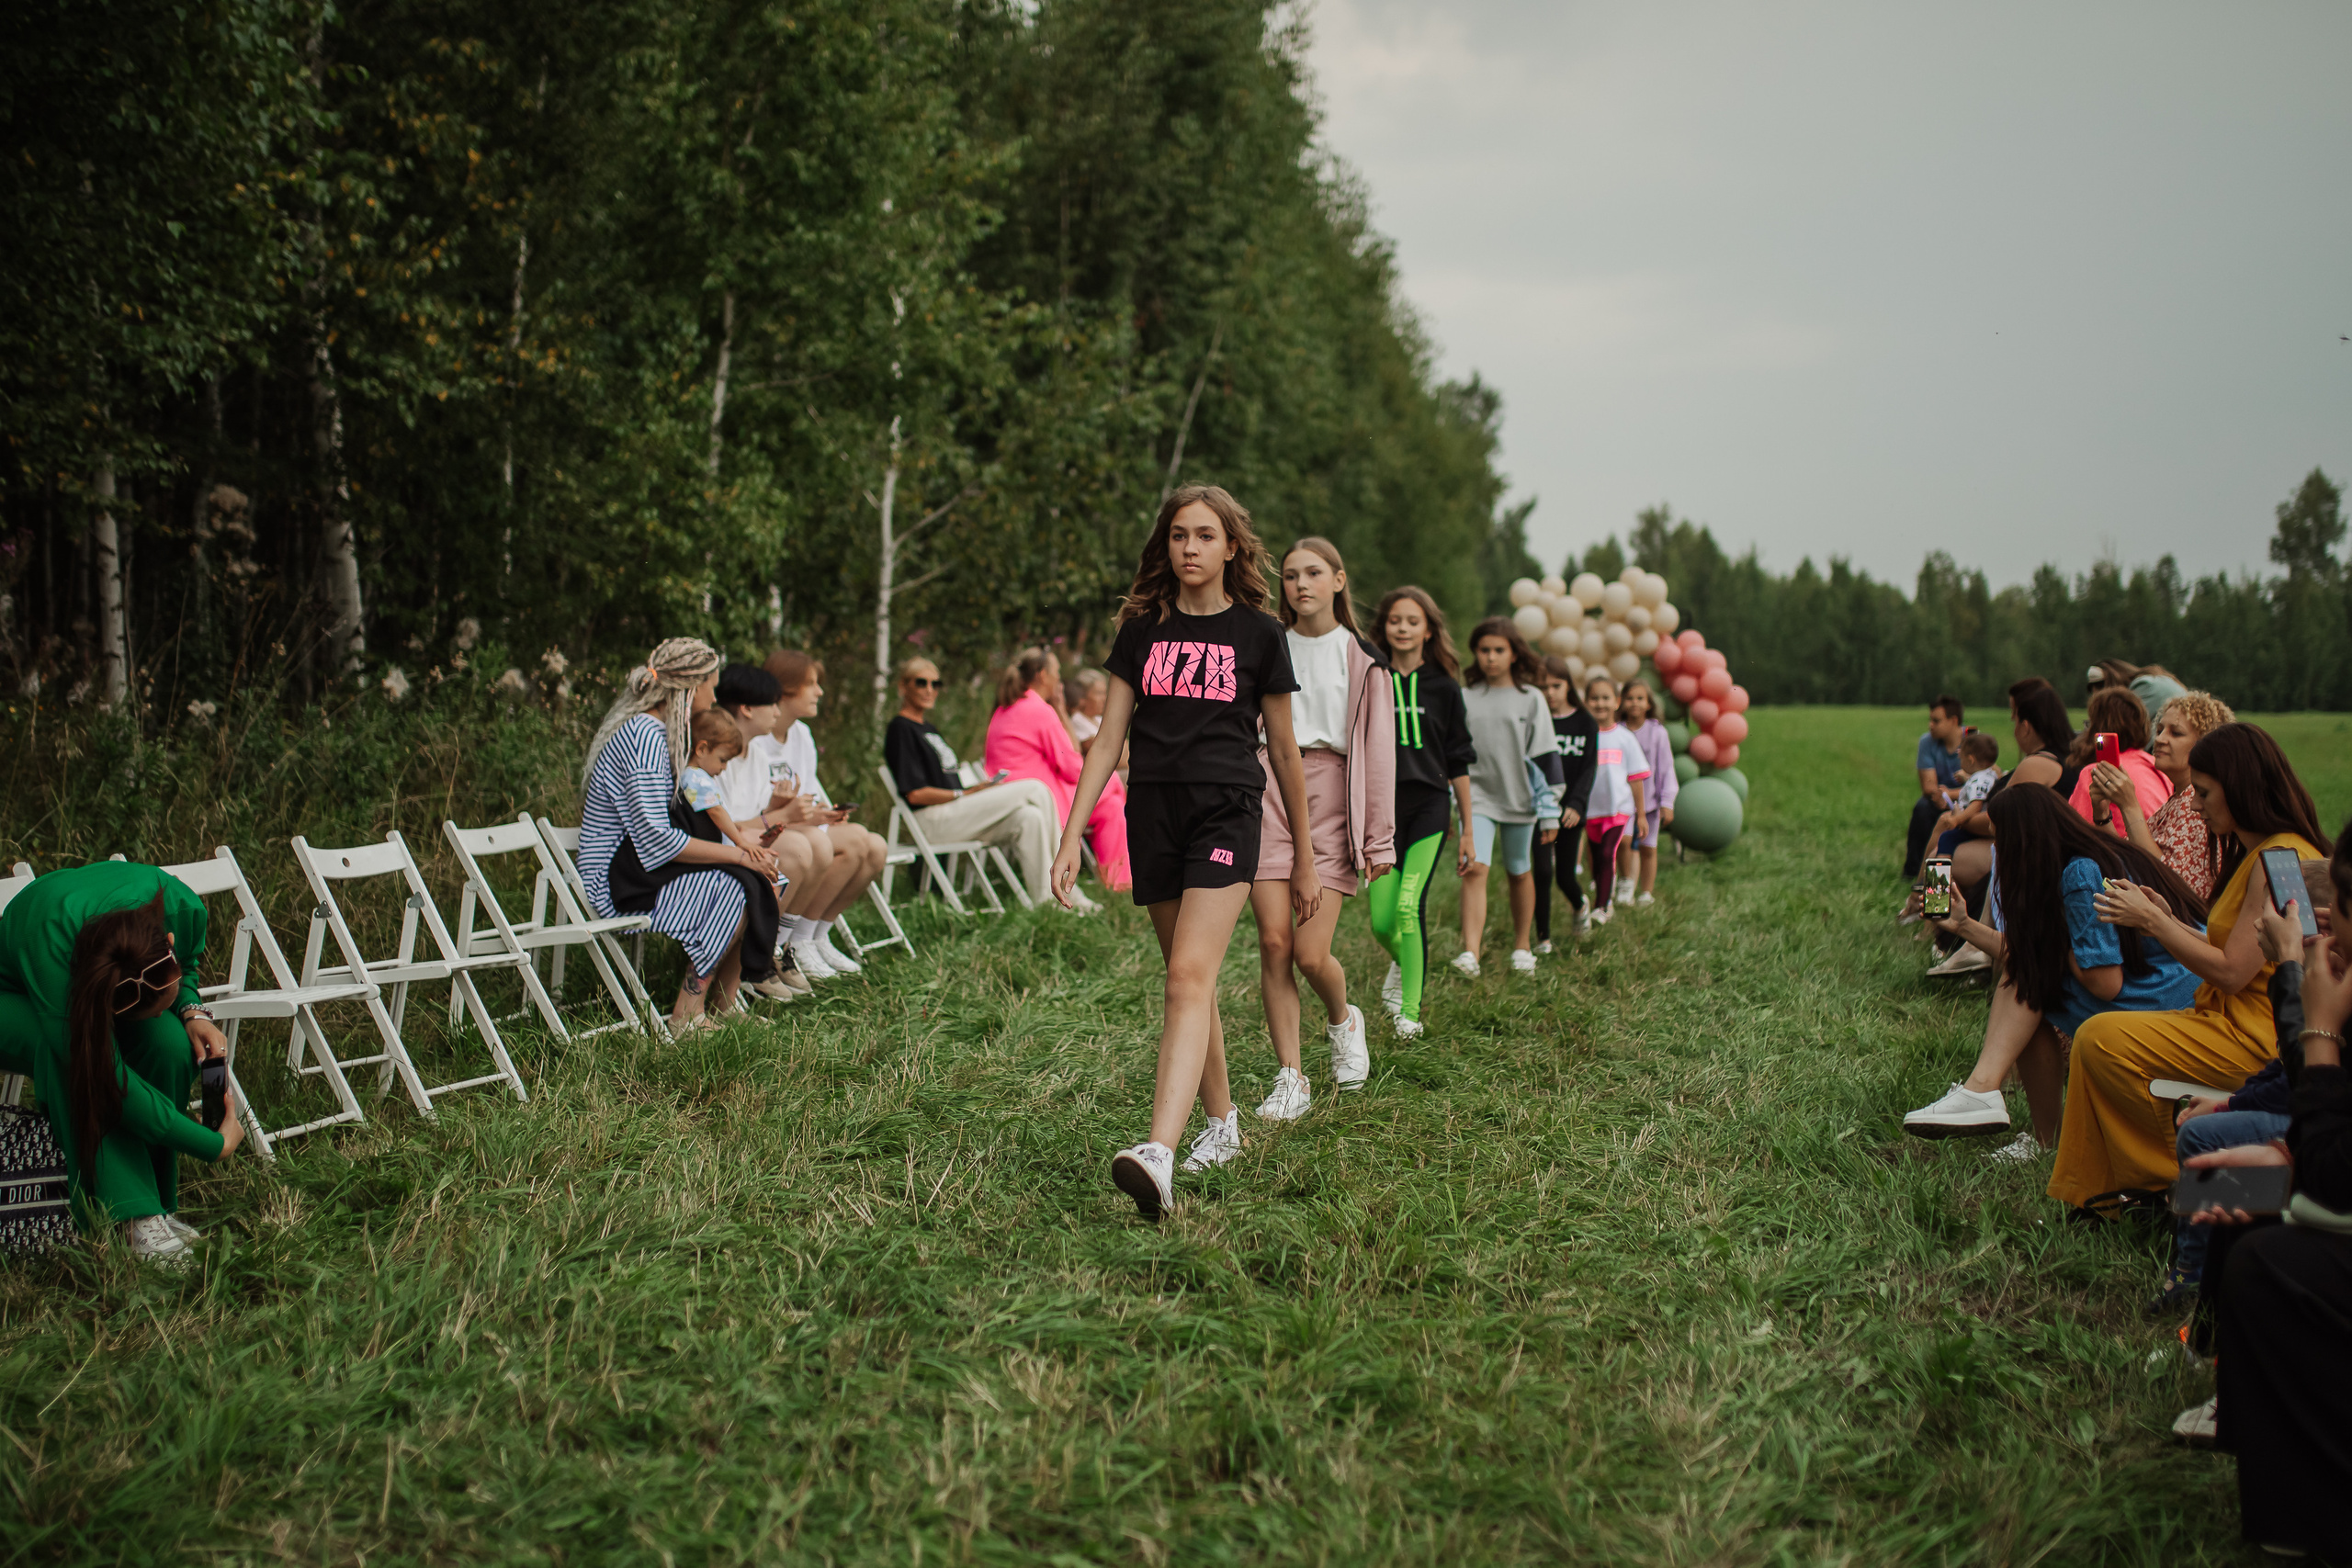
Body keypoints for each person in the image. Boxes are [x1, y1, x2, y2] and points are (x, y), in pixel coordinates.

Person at [1046, 483, 1311, 1217]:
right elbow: (1108, 739)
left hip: (1227, 813)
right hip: (1152, 812)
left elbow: (1284, 750)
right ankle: (1222, 1123)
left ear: (1232, 546)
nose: (1189, 548)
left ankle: (1158, 1152)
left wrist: (1310, 857)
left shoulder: (1261, 634)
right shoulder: (1142, 628)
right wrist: (1071, 836)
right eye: (1177, 536)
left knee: (1188, 975)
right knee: (1183, 979)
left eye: (1203, 535)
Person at [2050, 723, 2332, 1212]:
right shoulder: (2265, 851)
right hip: (2229, 1020)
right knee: (2097, 1038)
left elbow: (2231, 971)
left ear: (2240, 788)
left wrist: (2157, 923)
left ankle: (2171, 1183)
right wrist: (2170, 914)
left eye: (2202, 792)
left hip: (2257, 1036)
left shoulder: (2281, 856)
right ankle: (2111, 1190)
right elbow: (2236, 944)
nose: (2194, 804)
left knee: (2100, 1040)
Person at [2169, 834, 2352, 1560]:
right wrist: (2281, 1150)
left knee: (2255, 1231)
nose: (2327, 929)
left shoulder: (2323, 987)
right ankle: (2213, 1355)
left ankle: (2305, 1524)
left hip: (2327, 1157)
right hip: (2312, 1133)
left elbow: (2328, 1148)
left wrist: (2305, 1004)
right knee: (2231, 1180)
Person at [1904, 783, 2204, 1160]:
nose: (1998, 852)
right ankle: (1989, 1095)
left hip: (2172, 999)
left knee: (2029, 979)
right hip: (2177, 987)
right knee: (2028, 972)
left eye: (2002, 838)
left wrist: (2051, 941)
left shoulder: (2079, 874)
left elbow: (2105, 982)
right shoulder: (2092, 853)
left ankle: (2002, 1105)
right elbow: (2041, 954)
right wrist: (1964, 925)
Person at [0, 862, 246, 1267]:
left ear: (167, 939)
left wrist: (190, 1010)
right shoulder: (52, 950)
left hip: (91, 972)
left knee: (166, 1041)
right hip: (14, 993)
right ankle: (128, 1216)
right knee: (69, 1061)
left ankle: (157, 1209)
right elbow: (108, 1080)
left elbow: (186, 967)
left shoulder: (182, 909)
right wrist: (213, 1144)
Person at [1249, 537, 1394, 1120]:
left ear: (1338, 580)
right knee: (1274, 943)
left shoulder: (1364, 659)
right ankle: (1291, 1078)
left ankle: (1343, 1016)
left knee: (1311, 953)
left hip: (1334, 794)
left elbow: (1379, 756)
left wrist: (1378, 839)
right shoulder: (1266, 645)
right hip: (1265, 790)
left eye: (1313, 573)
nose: (1300, 584)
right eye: (1289, 575)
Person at [581, 637, 785, 1029]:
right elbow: (655, 838)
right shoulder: (642, 735)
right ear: (692, 688)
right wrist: (739, 855)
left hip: (642, 866)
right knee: (735, 885)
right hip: (615, 879)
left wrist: (744, 850)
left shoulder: (662, 734)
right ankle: (686, 1014)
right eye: (712, 684)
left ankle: (725, 1002)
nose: (715, 694)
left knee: (771, 878)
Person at [886, 657, 1080, 913]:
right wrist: (965, 793)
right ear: (903, 686)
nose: (929, 689)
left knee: (1029, 817)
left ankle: (1048, 901)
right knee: (1035, 788)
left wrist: (977, 789)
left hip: (955, 812)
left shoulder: (929, 729)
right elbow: (915, 794)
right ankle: (1070, 886)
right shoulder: (901, 729)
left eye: (936, 683)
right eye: (921, 683)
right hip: (931, 821)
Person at [1366, 586, 1476, 1041]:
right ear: (1384, 627)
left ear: (1428, 630)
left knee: (1410, 907)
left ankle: (1409, 1014)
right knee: (1381, 922)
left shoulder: (1445, 688)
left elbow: (1458, 760)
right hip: (1379, 810)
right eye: (1395, 620)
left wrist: (1468, 829)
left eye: (1413, 621)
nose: (1403, 628)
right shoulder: (1370, 678)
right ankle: (1402, 958)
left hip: (1430, 807)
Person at [759, 651, 891, 978]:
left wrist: (827, 813)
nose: (819, 692)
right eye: (811, 684)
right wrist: (801, 813)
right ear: (785, 689)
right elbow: (755, 808)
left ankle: (810, 937)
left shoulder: (801, 734)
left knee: (873, 845)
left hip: (801, 826)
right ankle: (784, 942)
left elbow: (812, 792)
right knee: (850, 845)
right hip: (771, 830)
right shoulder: (757, 735)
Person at [1935, 677, 2076, 976]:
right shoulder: (2067, 758)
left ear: (2026, 726)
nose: (2014, 729)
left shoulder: (2036, 765)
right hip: (2040, 853)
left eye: (2015, 719)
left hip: (2021, 855)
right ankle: (1935, 922)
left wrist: (1959, 819)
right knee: (1942, 844)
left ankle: (1934, 920)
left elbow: (1999, 821)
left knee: (1938, 855)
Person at [1454, 617, 1563, 976]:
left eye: (1499, 650)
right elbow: (1454, 755)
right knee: (1475, 869)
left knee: (1519, 872)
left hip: (1522, 799)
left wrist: (1550, 813)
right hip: (1479, 798)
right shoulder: (1466, 697)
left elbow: (1547, 757)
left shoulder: (1531, 699)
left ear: (1514, 654)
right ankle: (1471, 953)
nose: (1490, 657)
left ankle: (1522, 947)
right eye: (1484, 650)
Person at [707, 663, 821, 993]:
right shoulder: (717, 757)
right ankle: (746, 968)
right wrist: (780, 814)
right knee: (800, 848)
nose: (776, 711)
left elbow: (757, 816)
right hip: (726, 847)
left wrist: (776, 807)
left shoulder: (754, 753)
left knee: (811, 843)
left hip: (750, 843)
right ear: (745, 708)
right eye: (770, 704)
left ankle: (761, 956)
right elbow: (722, 824)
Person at [986, 647, 1131, 892]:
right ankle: (1117, 881)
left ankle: (1116, 880)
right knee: (1111, 790)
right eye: (1057, 672)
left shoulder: (1006, 707)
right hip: (1040, 797)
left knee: (1111, 803)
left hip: (1013, 793)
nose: (1059, 679)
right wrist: (1060, 710)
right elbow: (1073, 767)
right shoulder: (1038, 710)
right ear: (1043, 675)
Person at [2086, 689, 2235, 900]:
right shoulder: (2179, 798)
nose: (2160, 739)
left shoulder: (2200, 804)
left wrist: (2129, 805)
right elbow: (2128, 857)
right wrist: (2102, 814)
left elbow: (2169, 883)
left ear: (2206, 743)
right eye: (2159, 730)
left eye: (2175, 733)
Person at [1531, 655, 1596, 951]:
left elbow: (1588, 770)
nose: (1550, 693)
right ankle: (1543, 938)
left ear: (1568, 685)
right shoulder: (1534, 719)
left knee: (1564, 877)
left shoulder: (1585, 722)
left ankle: (1580, 905)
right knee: (1542, 873)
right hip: (1538, 810)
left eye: (1556, 685)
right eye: (1543, 687)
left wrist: (1576, 805)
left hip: (1570, 812)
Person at [1578, 674, 1650, 923]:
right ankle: (1603, 895)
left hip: (1618, 810)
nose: (1600, 704)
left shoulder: (1625, 738)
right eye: (1594, 699)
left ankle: (1603, 906)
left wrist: (1640, 814)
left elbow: (1636, 778)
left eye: (1606, 698)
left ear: (1616, 702)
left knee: (1608, 853)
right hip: (1590, 811)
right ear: (1586, 702)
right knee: (1597, 857)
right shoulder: (1584, 737)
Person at [2066, 685, 2171, 837]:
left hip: (2121, 855)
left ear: (2098, 728)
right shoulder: (2156, 766)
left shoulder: (2097, 772)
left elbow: (2075, 831)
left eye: (2089, 724)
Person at [1618, 679, 1678, 907]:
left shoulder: (1657, 733)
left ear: (1649, 703)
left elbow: (1666, 768)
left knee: (1648, 847)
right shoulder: (1617, 731)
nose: (1635, 703)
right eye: (1630, 698)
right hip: (1622, 802)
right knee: (1623, 843)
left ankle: (1646, 893)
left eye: (1640, 698)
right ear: (1621, 702)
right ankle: (1624, 885)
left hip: (1650, 803)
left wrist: (1667, 802)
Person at [1905, 695, 1967, 878]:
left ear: (1954, 721)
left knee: (1946, 831)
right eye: (1930, 720)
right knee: (1923, 809)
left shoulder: (1972, 739)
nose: (1930, 725)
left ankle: (1928, 884)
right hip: (1937, 799)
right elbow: (1928, 786)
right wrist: (1941, 796)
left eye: (1936, 720)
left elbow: (1984, 782)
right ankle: (1916, 875)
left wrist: (1951, 795)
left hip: (1968, 802)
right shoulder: (1927, 742)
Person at [1927, 730, 2001, 855]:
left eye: (1961, 758)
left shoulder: (1978, 780)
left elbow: (1976, 805)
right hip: (1981, 829)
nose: (1960, 762)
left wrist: (1957, 819)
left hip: (1971, 829)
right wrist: (1967, 780)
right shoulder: (1990, 775)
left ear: (1971, 760)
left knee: (1945, 840)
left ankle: (1939, 873)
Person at [1067, 669, 1109, 750]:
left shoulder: (1099, 719)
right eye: (1099, 693)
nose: (1104, 699)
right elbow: (1103, 749)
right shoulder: (1077, 720)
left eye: (1104, 693)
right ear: (1083, 696)